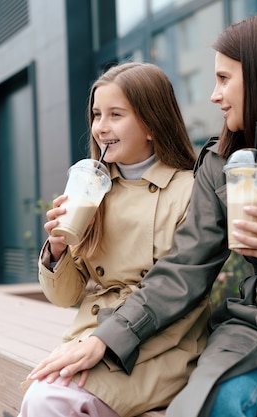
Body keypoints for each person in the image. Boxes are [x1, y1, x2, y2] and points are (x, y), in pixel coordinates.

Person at [26, 12, 257, 417]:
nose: (214, 94)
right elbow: (182, 271)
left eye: (224, 79)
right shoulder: (221, 162)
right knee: (213, 405)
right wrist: (109, 337)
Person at [20, 62, 211, 417]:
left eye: (115, 114)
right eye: (96, 114)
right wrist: (58, 250)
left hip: (160, 346)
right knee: (44, 396)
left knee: (48, 400)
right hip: (93, 335)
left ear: (152, 124)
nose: (100, 127)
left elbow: (179, 288)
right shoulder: (92, 188)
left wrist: (106, 342)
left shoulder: (190, 190)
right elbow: (64, 296)